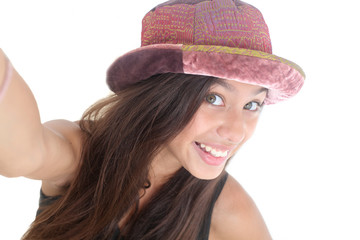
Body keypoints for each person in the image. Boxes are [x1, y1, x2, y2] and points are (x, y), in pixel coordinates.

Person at [0, 0, 305, 239]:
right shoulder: (82, 152)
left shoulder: (229, 208)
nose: (236, 131)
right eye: (213, 98)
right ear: (162, 93)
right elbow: (21, 154)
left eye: (253, 104)